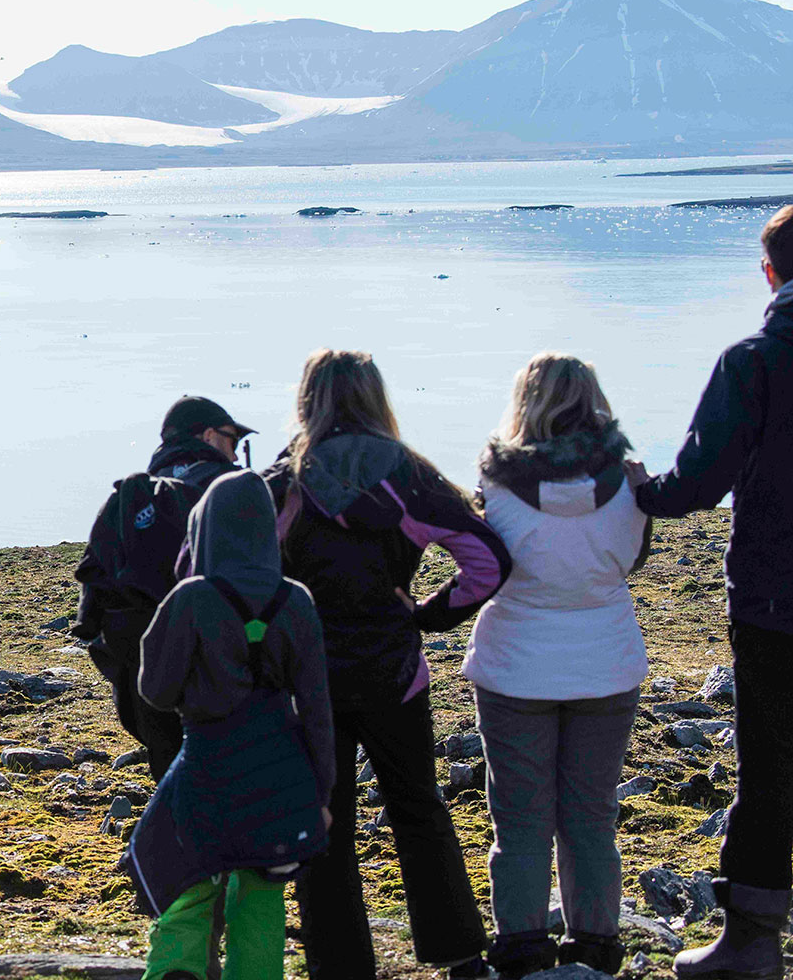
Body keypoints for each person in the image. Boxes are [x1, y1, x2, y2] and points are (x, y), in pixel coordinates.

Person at [261, 349, 511, 980]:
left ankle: (339, 969)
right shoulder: (410, 474)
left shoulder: (286, 479)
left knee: (323, 822)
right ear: (377, 396)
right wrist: (428, 615)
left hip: (307, 681)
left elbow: (227, 562)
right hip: (394, 674)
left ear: (308, 398)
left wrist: (265, 631)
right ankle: (462, 958)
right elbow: (487, 561)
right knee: (419, 809)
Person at [627, 204, 793, 980]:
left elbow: (697, 485)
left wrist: (642, 490)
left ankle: (752, 945)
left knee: (770, 771)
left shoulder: (754, 362)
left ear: (770, 273)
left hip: (774, 602)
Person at [464, 353, 650, 978]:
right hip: (605, 663)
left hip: (515, 665)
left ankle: (521, 947)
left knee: (519, 821)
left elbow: (485, 568)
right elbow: (631, 560)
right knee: (590, 817)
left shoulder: (493, 483)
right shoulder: (631, 481)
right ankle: (593, 944)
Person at [129, 471, 334, 980]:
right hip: (280, 774)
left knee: (187, 889)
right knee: (262, 897)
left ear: (205, 529)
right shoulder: (296, 600)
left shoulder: (192, 597)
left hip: (207, 768)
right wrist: (321, 794)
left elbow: (154, 690)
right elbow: (317, 710)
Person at [75, 395, 255, 777]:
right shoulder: (229, 490)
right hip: (217, 663)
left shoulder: (131, 497)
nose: (236, 452)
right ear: (209, 436)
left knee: (170, 767)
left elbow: (92, 599)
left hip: (142, 664)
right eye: (232, 439)